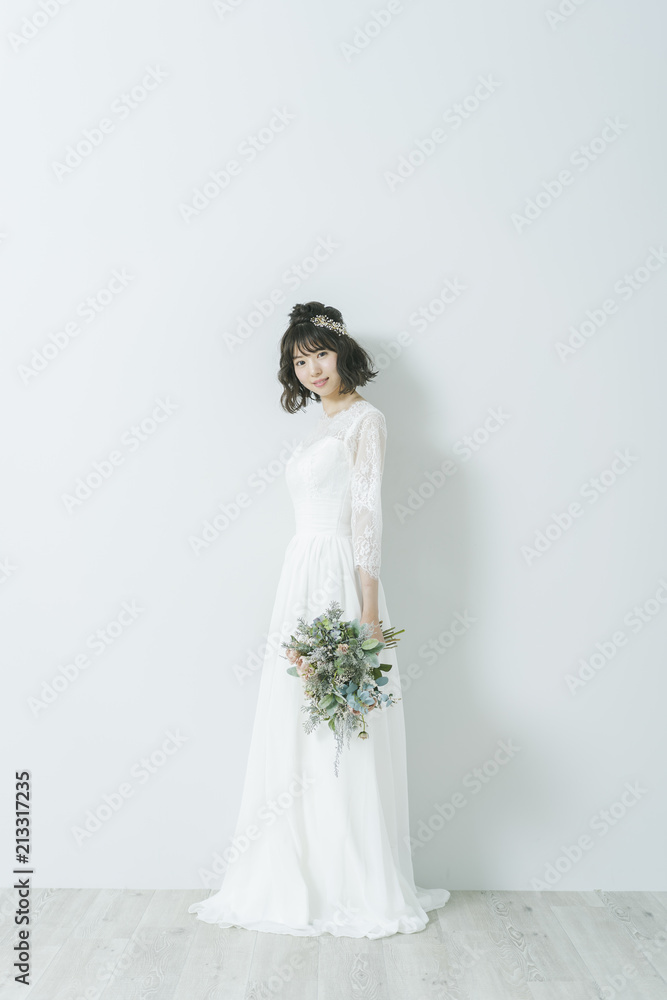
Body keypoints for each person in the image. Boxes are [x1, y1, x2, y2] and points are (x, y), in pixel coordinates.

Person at [188, 301, 450, 937]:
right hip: (300, 573)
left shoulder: (366, 420)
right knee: (297, 712)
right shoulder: (317, 429)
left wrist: (368, 610)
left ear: (343, 354)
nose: (312, 369)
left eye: (320, 355)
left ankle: (347, 877)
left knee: (341, 720)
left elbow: (366, 514)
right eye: (300, 361)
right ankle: (299, 867)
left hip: (338, 574)